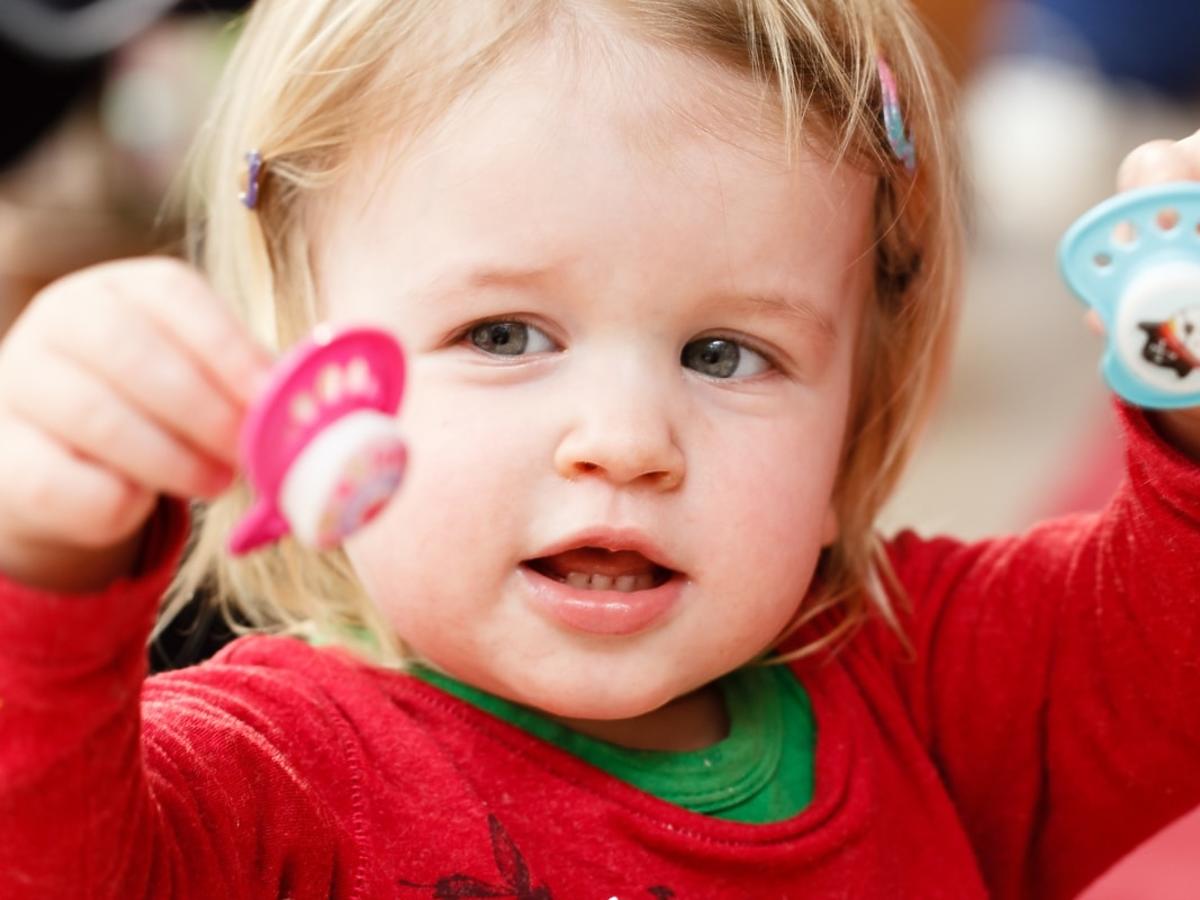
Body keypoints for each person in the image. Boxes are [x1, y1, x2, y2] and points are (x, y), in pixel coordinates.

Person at [1, 0, 1199, 896]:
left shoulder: (935, 692)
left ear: (853, 419)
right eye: (505, 333)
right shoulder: (268, 781)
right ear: (307, 385)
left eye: (727, 354)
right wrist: (44, 555)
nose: (625, 445)